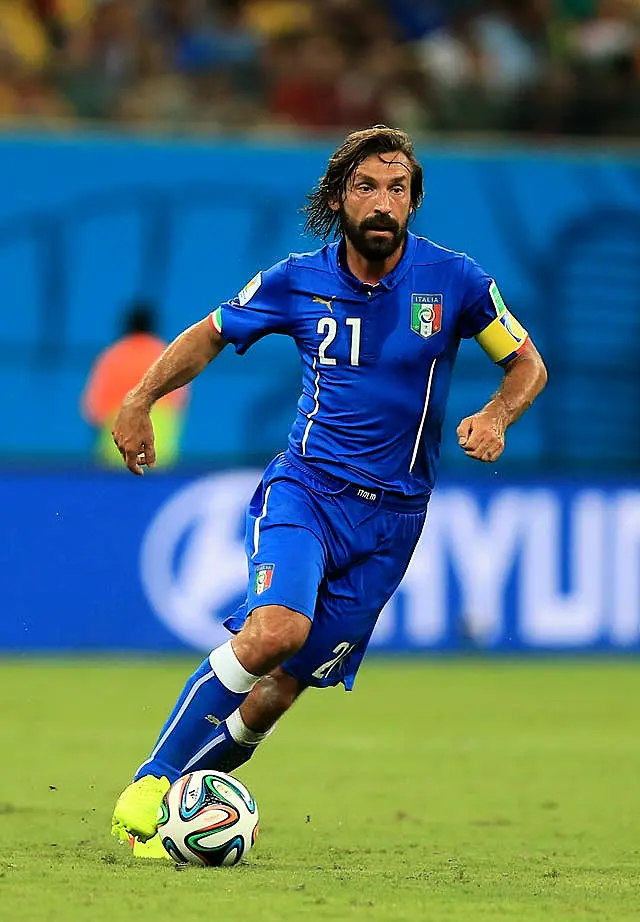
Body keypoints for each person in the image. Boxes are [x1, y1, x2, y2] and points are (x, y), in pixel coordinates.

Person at [110, 125, 547, 858]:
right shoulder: (295, 280)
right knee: (274, 632)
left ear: (414, 201)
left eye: (397, 188)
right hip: (307, 491)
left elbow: (527, 363)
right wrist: (137, 399)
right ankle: (154, 782)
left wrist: (498, 414)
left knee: (279, 691)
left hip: (394, 523)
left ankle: (183, 817)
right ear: (339, 197)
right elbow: (212, 331)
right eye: (367, 187)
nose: (382, 202)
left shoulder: (456, 281)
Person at [81, 301, 188, 469]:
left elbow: (93, 410)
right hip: (160, 451)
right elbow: (179, 402)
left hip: (118, 451)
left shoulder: (112, 357)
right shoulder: (166, 354)